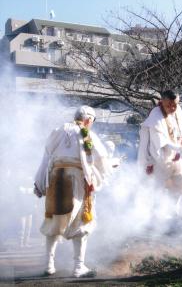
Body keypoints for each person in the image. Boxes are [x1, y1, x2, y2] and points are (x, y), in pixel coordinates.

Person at [34, 106, 112, 277]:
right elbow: (101, 159)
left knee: (53, 221)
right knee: (82, 223)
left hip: (55, 178)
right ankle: (78, 267)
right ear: (89, 119)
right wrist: (106, 174)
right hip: (76, 180)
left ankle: (48, 265)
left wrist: (39, 183)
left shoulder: (58, 130)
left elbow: (46, 156)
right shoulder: (87, 134)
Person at [137, 90, 182, 216]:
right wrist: (178, 149)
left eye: (175, 105)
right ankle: (154, 215)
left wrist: (179, 147)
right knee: (158, 188)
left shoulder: (178, 111)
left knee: (181, 183)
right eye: (169, 105)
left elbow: (179, 132)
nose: (172, 108)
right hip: (158, 157)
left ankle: (174, 210)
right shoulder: (155, 115)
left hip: (175, 156)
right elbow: (162, 141)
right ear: (162, 102)